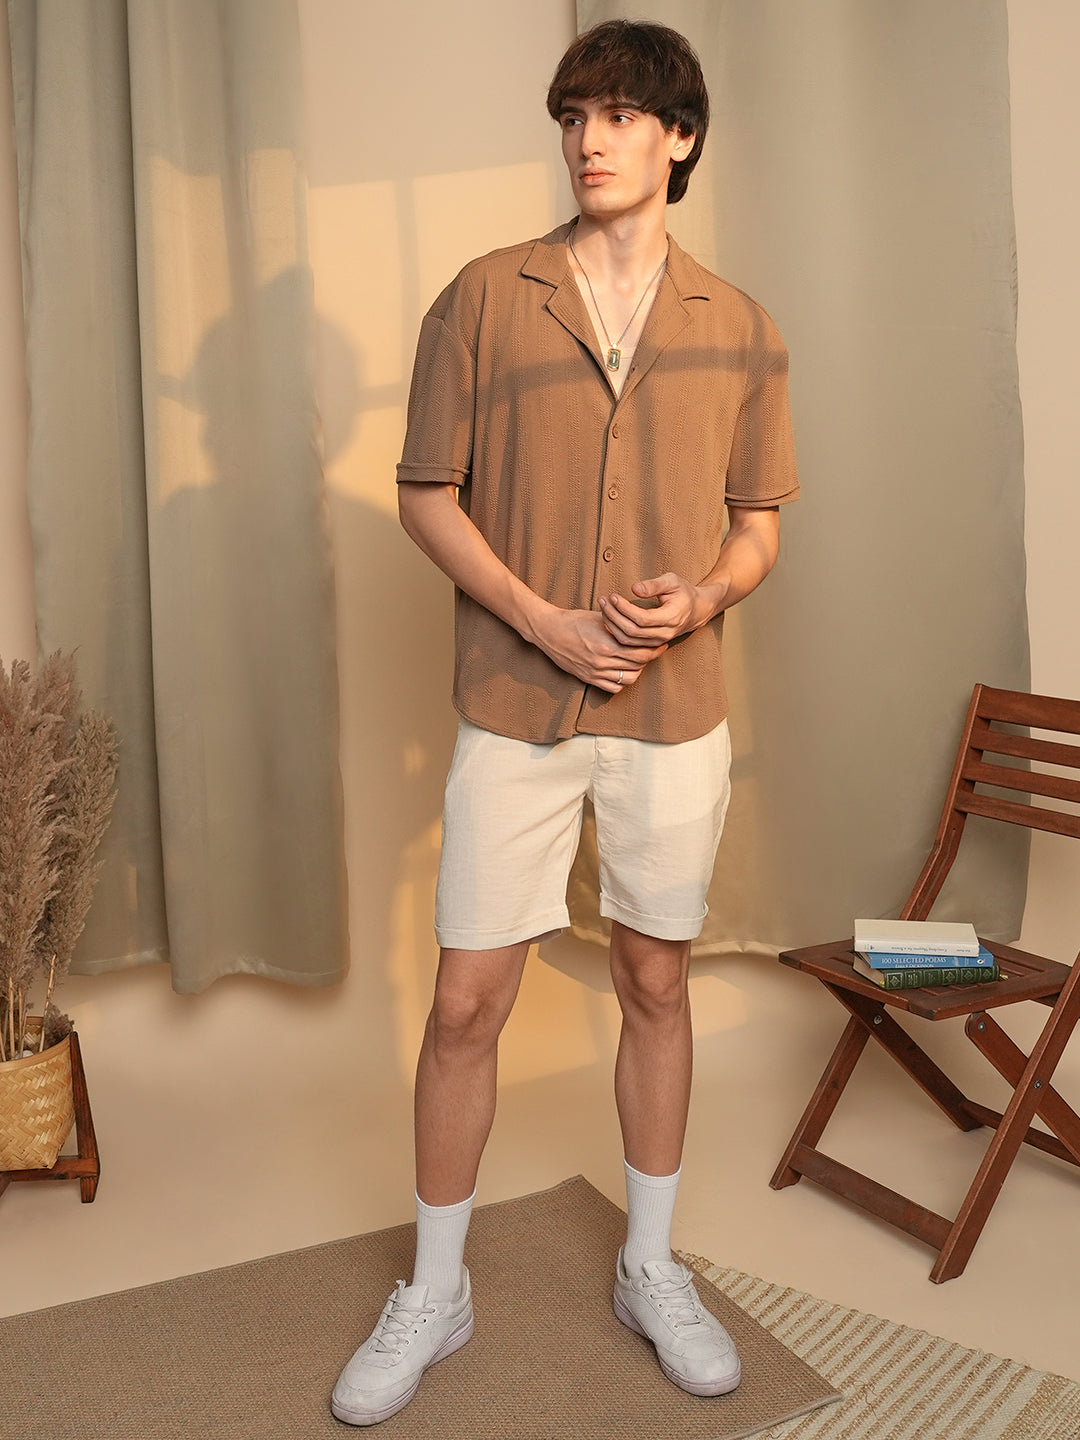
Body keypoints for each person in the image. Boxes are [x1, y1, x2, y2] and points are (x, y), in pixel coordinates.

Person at [331, 18, 799, 1427]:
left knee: (656, 982)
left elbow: (759, 528)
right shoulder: (484, 297)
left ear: (681, 137)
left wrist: (704, 595)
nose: (590, 141)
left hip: (675, 712)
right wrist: (543, 620)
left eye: (620, 116)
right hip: (515, 705)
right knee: (467, 1001)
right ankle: (437, 1289)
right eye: (574, 116)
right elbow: (424, 494)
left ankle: (651, 1268)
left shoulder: (742, 327)